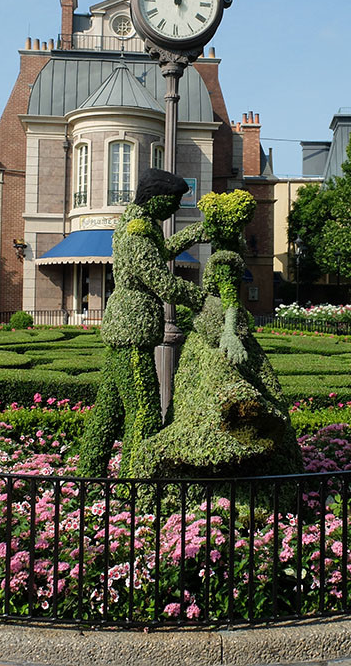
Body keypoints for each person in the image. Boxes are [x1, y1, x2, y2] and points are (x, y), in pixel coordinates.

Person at [133, 190, 301, 479]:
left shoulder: (224, 260)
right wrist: (196, 232)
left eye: (211, 222)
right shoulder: (230, 248)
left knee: (215, 386)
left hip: (218, 328)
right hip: (212, 326)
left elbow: (231, 302)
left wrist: (229, 334)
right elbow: (167, 250)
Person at [76, 168, 207, 478]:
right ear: (157, 199)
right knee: (144, 410)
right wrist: (204, 300)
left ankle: (88, 476)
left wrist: (197, 231)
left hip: (126, 328)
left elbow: (159, 253)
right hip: (132, 329)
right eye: (174, 201)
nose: (176, 208)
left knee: (109, 409)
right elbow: (163, 282)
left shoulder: (142, 225)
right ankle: (137, 484)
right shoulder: (138, 230)